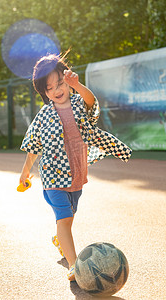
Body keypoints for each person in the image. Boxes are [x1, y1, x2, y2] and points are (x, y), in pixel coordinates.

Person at [19, 53, 132, 281]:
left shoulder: (80, 102)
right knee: (65, 218)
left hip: (76, 175)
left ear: (67, 79)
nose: (57, 90)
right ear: (44, 93)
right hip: (52, 177)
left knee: (69, 215)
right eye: (50, 88)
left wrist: (78, 85)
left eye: (60, 83)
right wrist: (25, 171)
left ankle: (59, 240)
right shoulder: (44, 116)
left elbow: (92, 103)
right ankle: (74, 265)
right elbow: (34, 145)